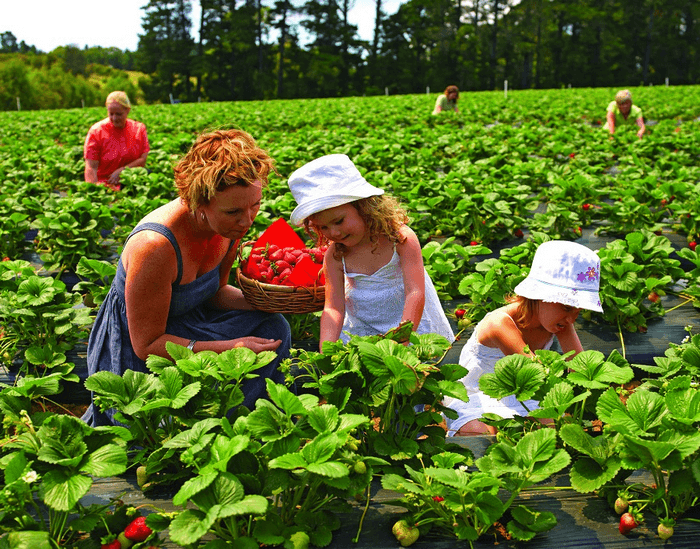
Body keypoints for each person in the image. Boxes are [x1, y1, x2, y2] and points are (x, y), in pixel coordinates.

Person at [82, 129, 291, 426]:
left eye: (255, 204)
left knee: (274, 327)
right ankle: (220, 425)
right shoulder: (155, 247)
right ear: (198, 202)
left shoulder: (229, 228)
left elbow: (216, 293)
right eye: (233, 211)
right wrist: (228, 350)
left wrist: (269, 300)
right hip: (143, 344)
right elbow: (148, 345)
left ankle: (246, 423)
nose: (248, 220)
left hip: (193, 320)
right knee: (162, 427)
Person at [287, 154, 454, 351]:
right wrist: (326, 351)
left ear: (364, 207)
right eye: (322, 227)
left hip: (410, 325)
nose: (334, 232)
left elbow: (415, 292)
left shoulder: (400, 240)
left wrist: (402, 341)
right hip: (365, 328)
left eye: (339, 221)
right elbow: (333, 308)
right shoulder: (336, 255)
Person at [443, 240, 603, 436]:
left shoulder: (560, 322)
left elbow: (581, 367)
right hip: (479, 396)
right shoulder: (499, 323)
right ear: (540, 296)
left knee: (556, 427)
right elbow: (534, 370)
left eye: (578, 311)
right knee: (483, 431)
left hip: (524, 394)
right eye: (567, 307)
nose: (571, 319)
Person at [84, 91, 150, 191]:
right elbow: (91, 167)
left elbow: (142, 159)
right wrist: (94, 190)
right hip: (105, 184)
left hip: (130, 180)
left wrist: (122, 170)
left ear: (127, 110)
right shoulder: (96, 131)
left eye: (119, 114)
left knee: (148, 175)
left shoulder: (138, 129)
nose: (114, 118)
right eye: (111, 114)